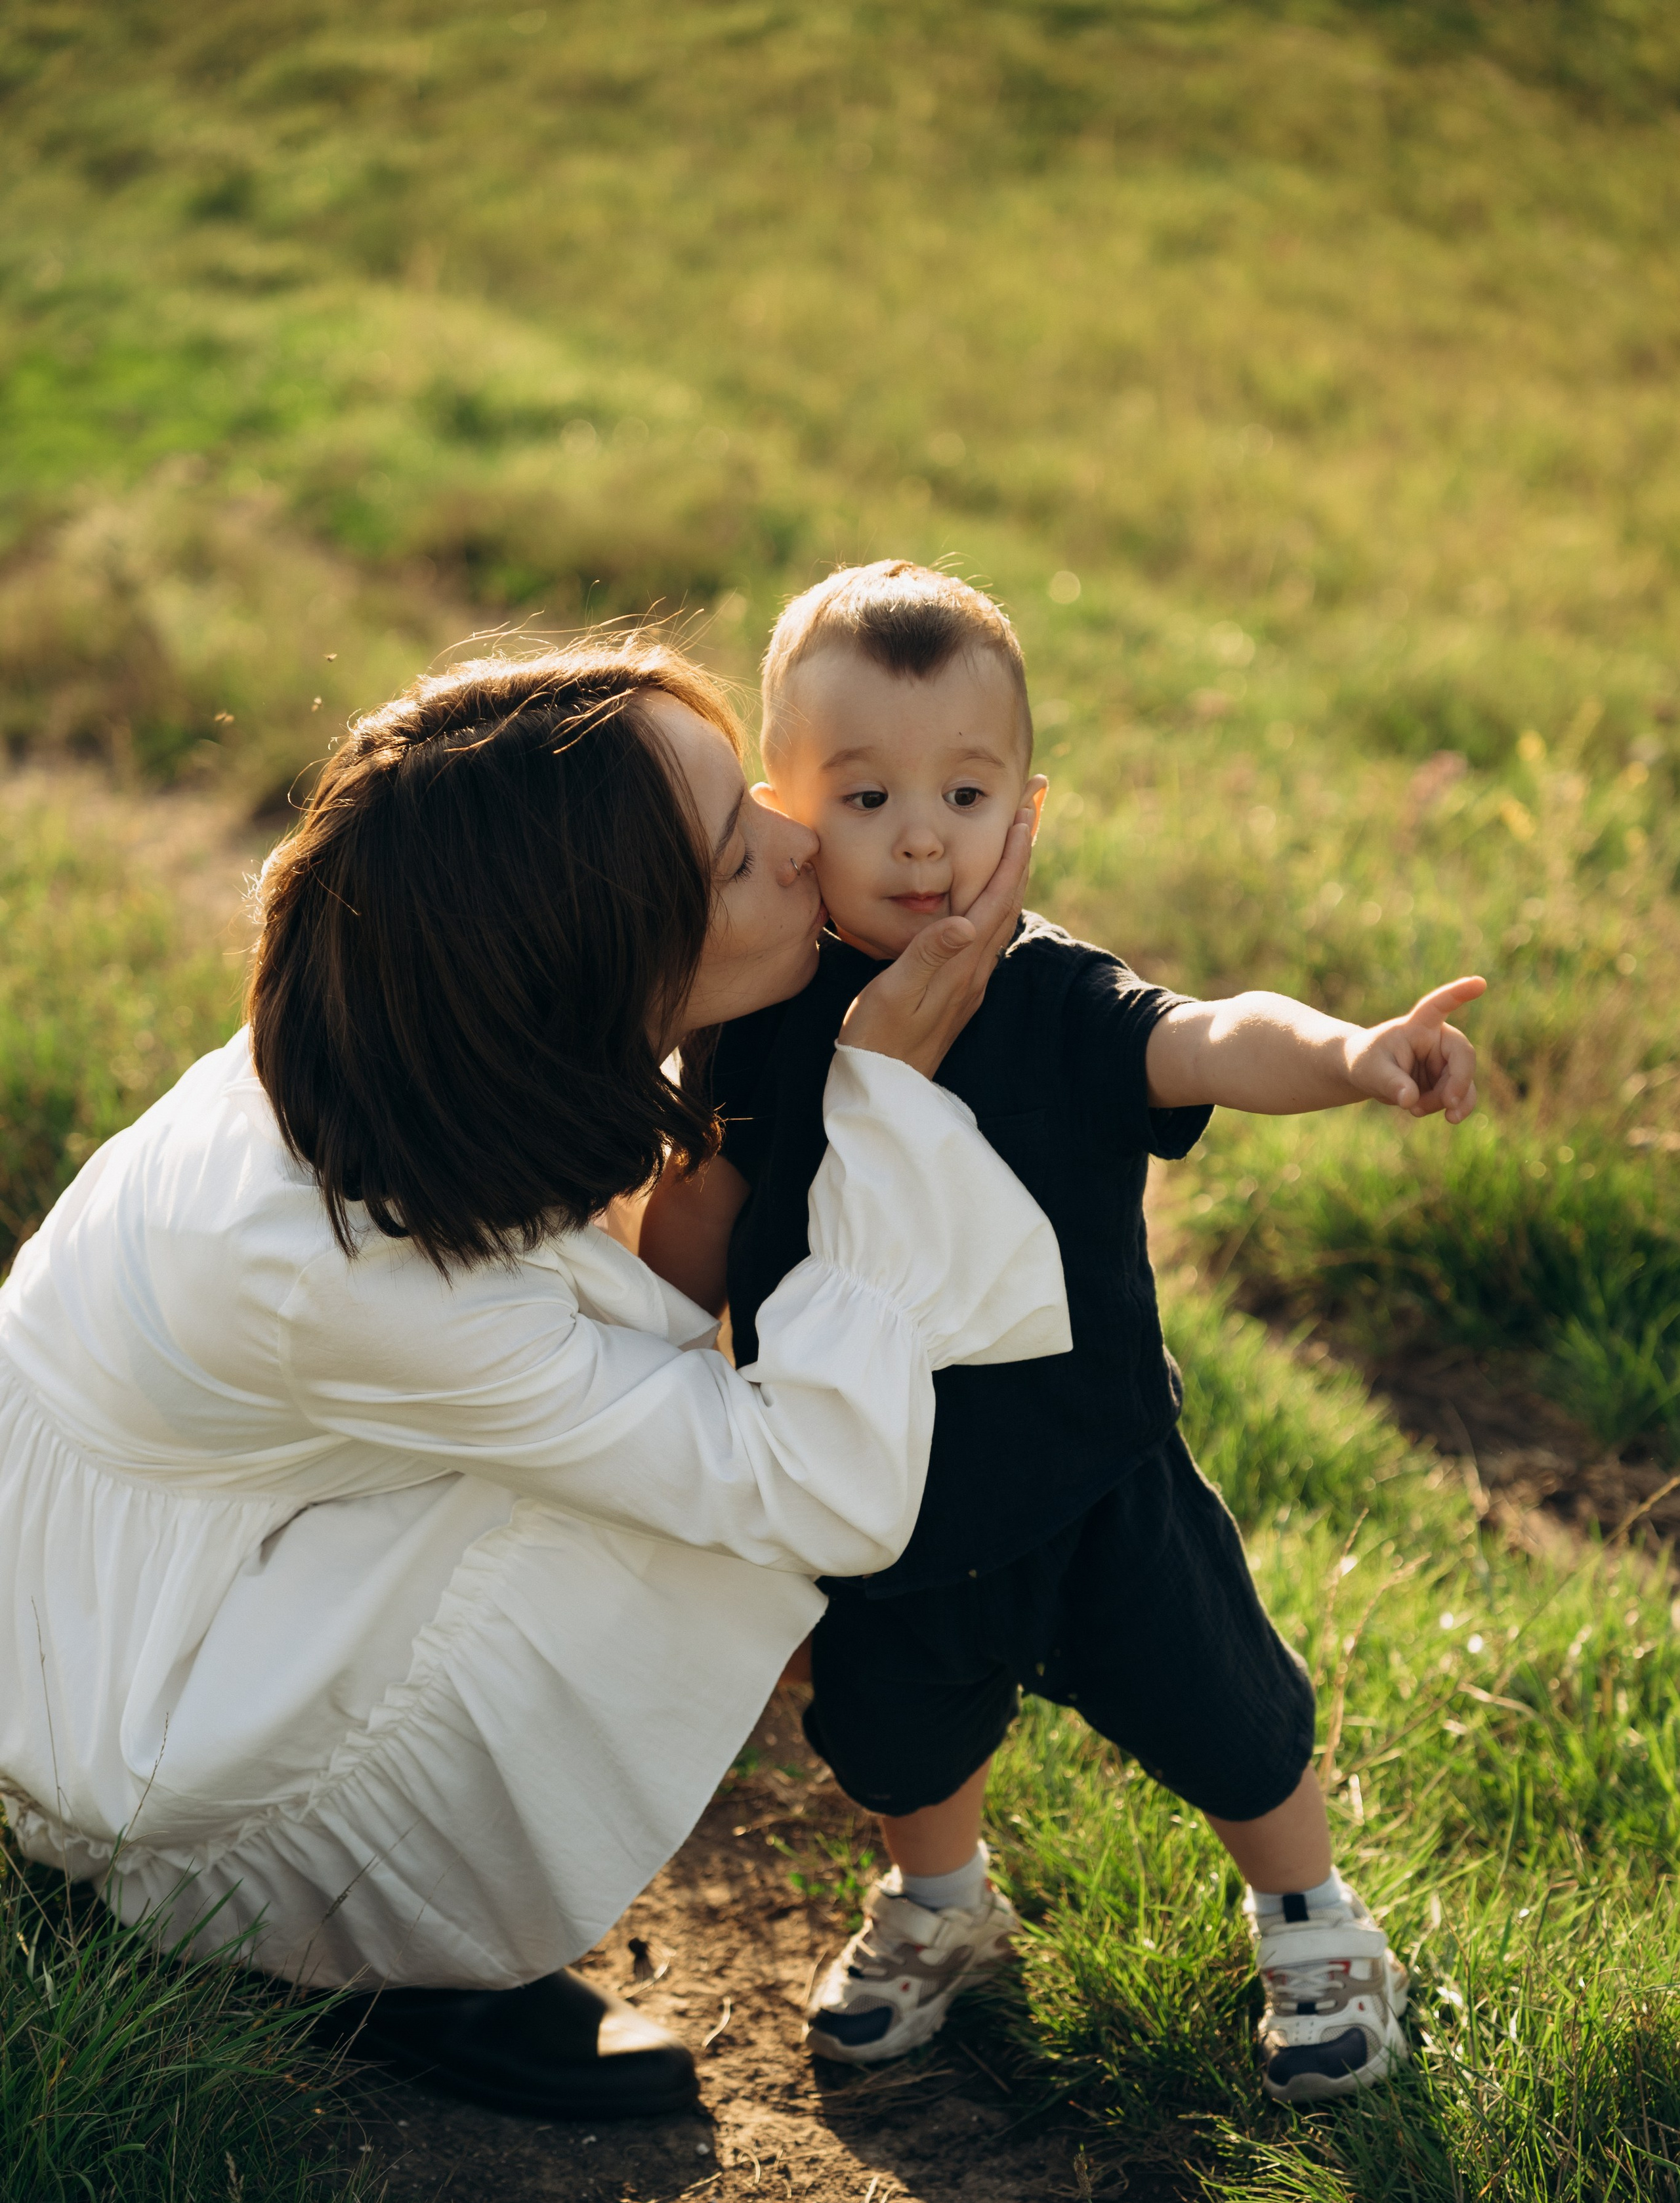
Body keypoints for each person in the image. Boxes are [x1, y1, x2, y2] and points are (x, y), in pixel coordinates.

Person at [0, 637, 1076, 2120]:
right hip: (137, 1742)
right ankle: (346, 1939)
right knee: (670, 1516)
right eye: (733, 855)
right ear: (601, 961)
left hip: (136, 1578)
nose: (796, 837)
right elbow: (814, 1493)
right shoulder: (349, 1269)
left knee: (636, 1435)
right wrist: (878, 1096)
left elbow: (620, 1319)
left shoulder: (408, 1022)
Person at [640, 561, 1484, 2107]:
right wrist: (645, 1334)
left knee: (1220, 1703)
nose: (920, 837)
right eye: (867, 796)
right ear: (785, 814)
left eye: (964, 794)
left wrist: (1350, 1052)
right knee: (895, 1731)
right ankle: (940, 1905)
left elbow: (1210, 1036)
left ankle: (1309, 1915)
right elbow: (705, 1202)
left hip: (1088, 1464)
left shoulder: (1049, 997)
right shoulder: (759, 1013)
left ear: (1026, 808)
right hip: (874, 1484)